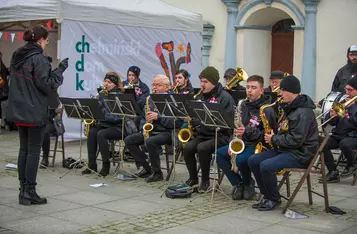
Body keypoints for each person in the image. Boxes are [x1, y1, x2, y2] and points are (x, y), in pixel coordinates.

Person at [7, 26, 68, 205]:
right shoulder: (38, 58)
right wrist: (60, 70)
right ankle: (30, 191)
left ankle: (23, 191)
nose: (46, 43)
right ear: (41, 40)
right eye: (47, 40)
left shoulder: (17, 55)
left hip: (19, 109)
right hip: (34, 110)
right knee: (33, 151)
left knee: (24, 150)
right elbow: (47, 85)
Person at [248, 76, 319, 211]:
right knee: (253, 160)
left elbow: (296, 140)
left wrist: (274, 139)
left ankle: (274, 199)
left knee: (266, 165)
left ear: (291, 91)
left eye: (282, 91)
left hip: (300, 154)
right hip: (287, 149)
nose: (279, 94)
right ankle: (267, 195)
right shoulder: (291, 107)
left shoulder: (303, 112)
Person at [216, 75, 276, 200]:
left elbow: (266, 135)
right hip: (242, 141)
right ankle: (239, 183)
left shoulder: (267, 109)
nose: (249, 90)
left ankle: (248, 183)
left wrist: (247, 131)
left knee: (242, 160)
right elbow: (237, 126)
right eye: (248, 87)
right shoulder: (242, 105)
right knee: (219, 154)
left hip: (258, 144)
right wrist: (234, 141)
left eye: (253, 88)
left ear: (261, 90)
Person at [183, 66, 235, 192]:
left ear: (214, 82)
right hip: (203, 134)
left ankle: (205, 181)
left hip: (221, 135)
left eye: (205, 82)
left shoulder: (225, 97)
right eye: (201, 81)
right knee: (188, 148)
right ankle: (193, 179)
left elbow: (228, 123)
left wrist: (203, 122)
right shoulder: (201, 95)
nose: (202, 85)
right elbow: (196, 116)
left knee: (202, 148)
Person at [124, 74, 180, 182]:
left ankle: (157, 173)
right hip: (152, 129)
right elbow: (145, 118)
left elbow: (176, 122)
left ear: (166, 87)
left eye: (158, 85)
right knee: (129, 140)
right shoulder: (150, 98)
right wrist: (144, 128)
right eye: (153, 85)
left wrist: (158, 117)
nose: (154, 87)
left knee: (150, 141)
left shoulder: (173, 100)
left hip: (167, 131)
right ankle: (146, 168)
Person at [82, 72, 125, 177]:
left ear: (115, 84)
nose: (106, 84)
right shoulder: (101, 94)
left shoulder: (119, 96)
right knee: (92, 132)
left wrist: (102, 116)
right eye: (105, 81)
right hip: (105, 124)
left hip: (118, 126)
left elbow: (118, 117)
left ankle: (106, 165)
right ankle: (92, 163)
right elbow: (100, 111)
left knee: (101, 134)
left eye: (109, 82)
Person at [321, 76, 357, 182]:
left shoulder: (352, 105)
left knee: (344, 144)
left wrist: (351, 109)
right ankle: (332, 172)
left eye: (350, 90)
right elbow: (330, 122)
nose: (347, 92)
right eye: (346, 89)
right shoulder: (343, 101)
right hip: (339, 134)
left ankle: (352, 164)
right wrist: (331, 116)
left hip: (354, 136)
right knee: (322, 143)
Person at [0, 52, 10, 129]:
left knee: (4, 106)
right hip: (2, 89)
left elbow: (4, 73)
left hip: (4, 90)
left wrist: (8, 70)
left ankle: (3, 123)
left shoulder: (1, 64)